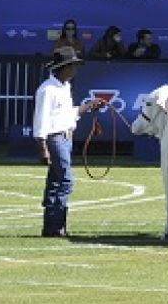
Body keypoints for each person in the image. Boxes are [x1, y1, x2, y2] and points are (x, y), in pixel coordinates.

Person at [33, 46, 106, 237]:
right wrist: (43, 148)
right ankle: (57, 224)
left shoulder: (64, 87)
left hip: (66, 137)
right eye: (72, 66)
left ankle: (52, 226)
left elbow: (68, 114)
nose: (75, 70)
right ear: (63, 68)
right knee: (65, 180)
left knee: (56, 181)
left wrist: (89, 106)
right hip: (55, 138)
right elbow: (40, 120)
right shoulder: (47, 90)